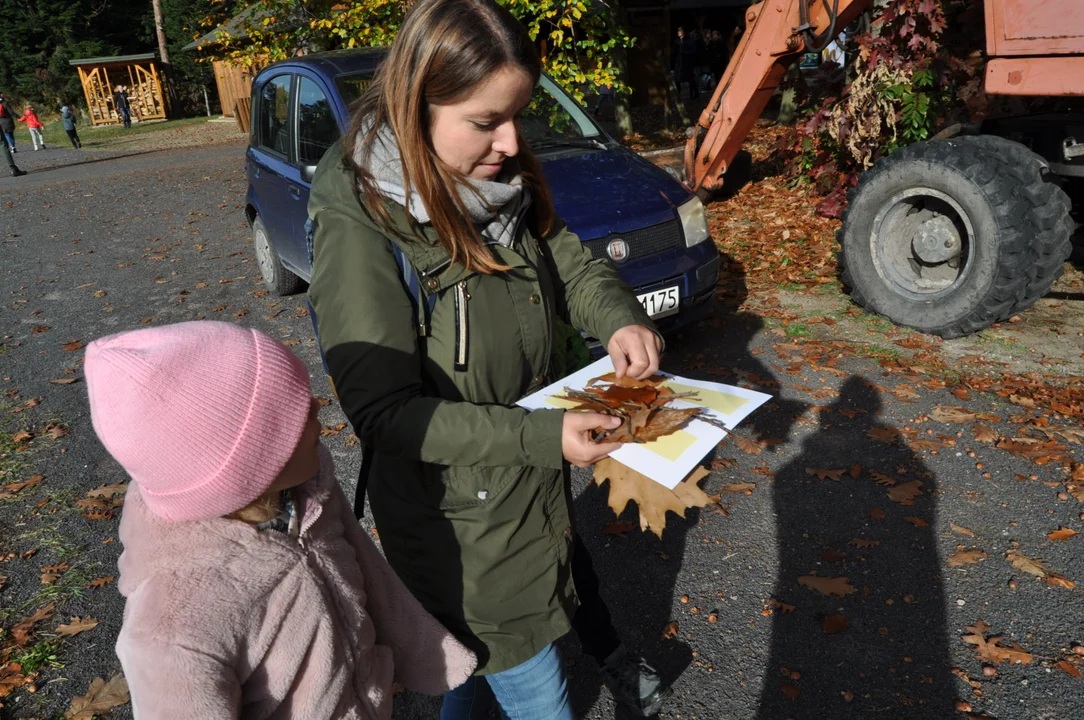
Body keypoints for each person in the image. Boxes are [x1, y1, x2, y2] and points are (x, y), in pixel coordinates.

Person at [307, 0, 669, 717]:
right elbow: (383, 414)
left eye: (518, 116)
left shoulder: (502, 177)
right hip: (458, 531)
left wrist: (619, 316)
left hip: (528, 495)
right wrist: (542, 439)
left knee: (466, 681)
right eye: (485, 122)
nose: (511, 141)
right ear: (418, 105)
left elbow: (568, 259)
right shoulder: (363, 218)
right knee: (532, 692)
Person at [85, 320, 478, 719]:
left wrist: (428, 652)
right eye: (289, 413)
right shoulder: (173, 626)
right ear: (244, 466)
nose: (316, 405)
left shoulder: (307, 493)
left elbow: (370, 572)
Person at [673, 27, 699, 100]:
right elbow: (674, 51)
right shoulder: (677, 41)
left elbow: (693, 51)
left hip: (687, 63)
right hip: (679, 63)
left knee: (690, 79)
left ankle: (696, 92)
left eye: (680, 30)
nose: (679, 32)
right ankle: (678, 96)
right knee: (677, 79)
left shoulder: (689, 41)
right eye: (678, 31)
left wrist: (685, 53)